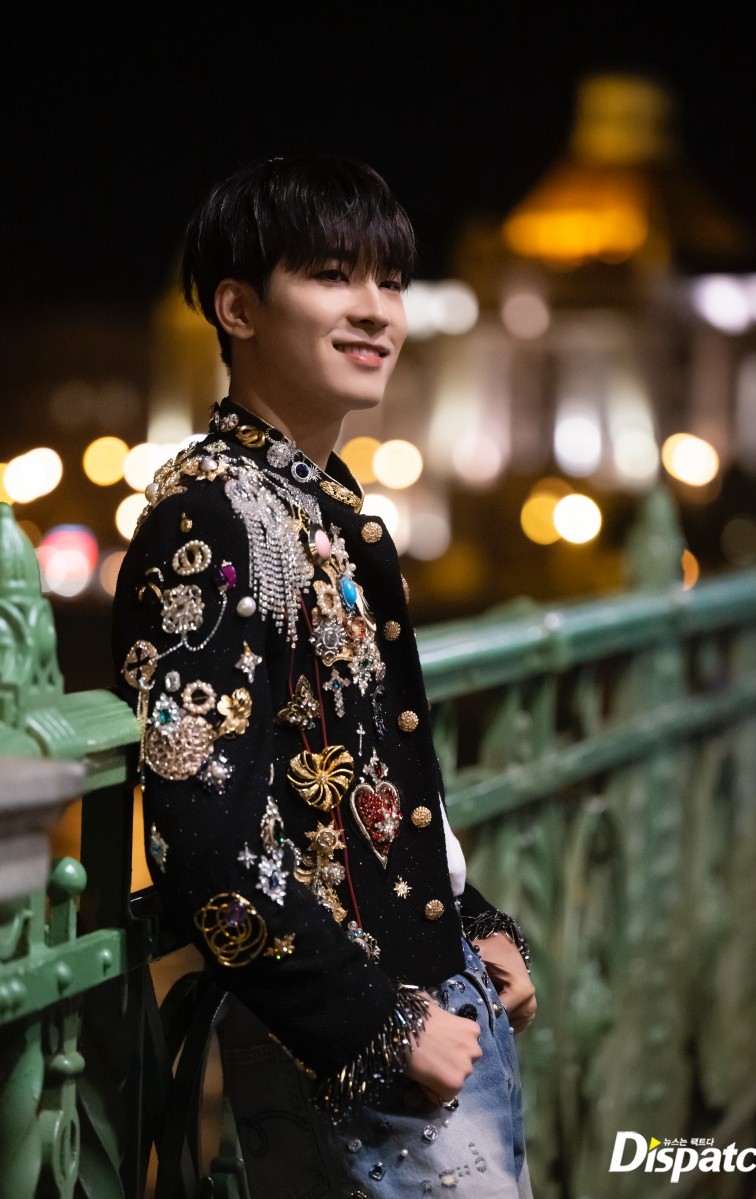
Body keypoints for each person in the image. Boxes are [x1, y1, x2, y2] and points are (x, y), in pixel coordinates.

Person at [112, 153, 536, 1198]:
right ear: (238, 308)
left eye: (390, 280)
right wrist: (380, 1023)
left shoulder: (318, 506)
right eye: (332, 276)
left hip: (433, 1013)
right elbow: (204, 842)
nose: (376, 310)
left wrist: (475, 921)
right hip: (353, 1052)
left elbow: (359, 781)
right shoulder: (212, 517)